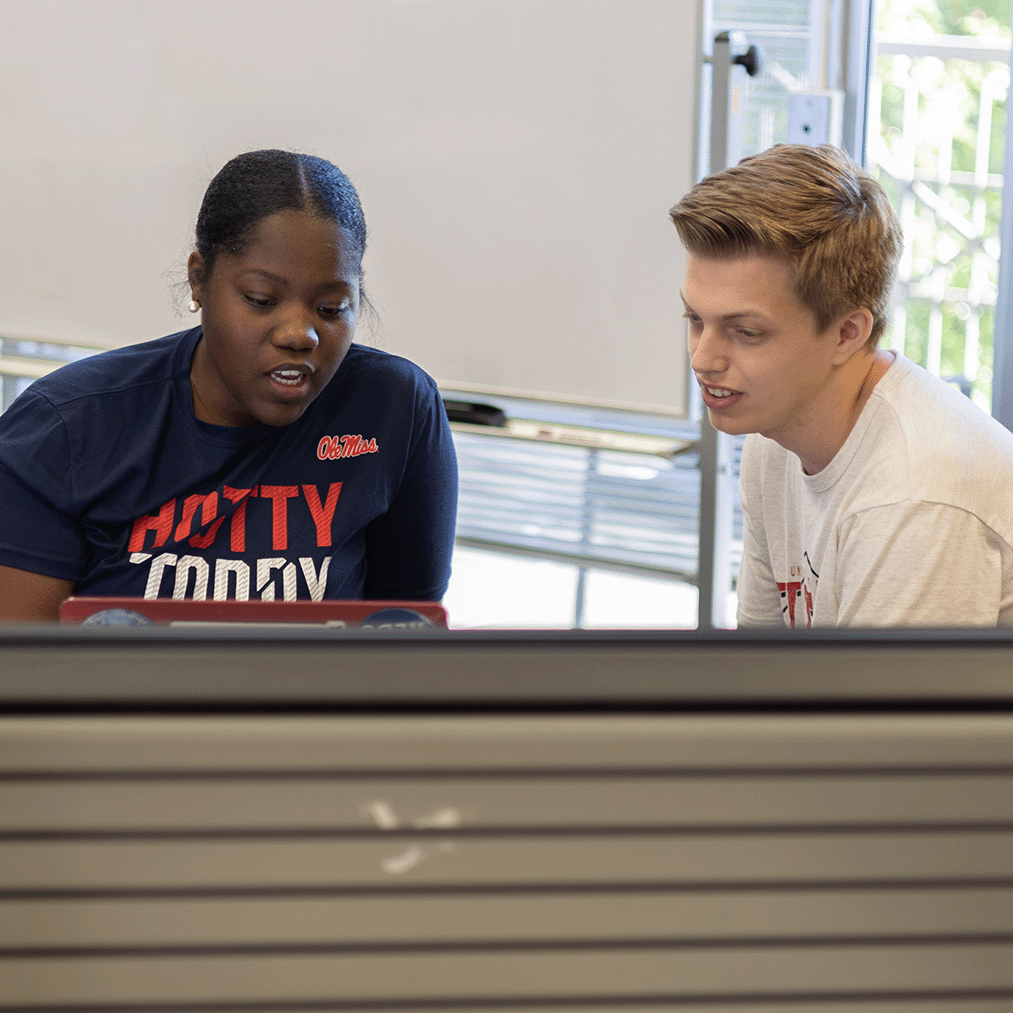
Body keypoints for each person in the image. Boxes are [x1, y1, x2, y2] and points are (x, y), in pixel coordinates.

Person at [0, 149, 458, 620]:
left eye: (330, 308)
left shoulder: (394, 409)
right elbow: (23, 669)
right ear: (199, 280)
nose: (300, 334)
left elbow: (404, 639)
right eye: (261, 300)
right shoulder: (64, 428)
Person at [670, 143, 1013, 627]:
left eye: (746, 332)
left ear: (847, 333)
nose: (703, 359)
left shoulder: (912, 496)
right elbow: (755, 675)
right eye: (695, 319)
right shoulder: (774, 441)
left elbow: (870, 705)